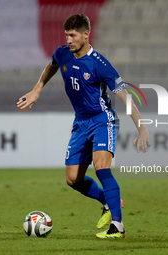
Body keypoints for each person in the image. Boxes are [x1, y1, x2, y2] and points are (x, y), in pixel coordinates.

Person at [17, 14, 150, 238]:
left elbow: (125, 96)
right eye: (67, 35)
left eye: (73, 35)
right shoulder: (62, 53)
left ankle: (117, 226)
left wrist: (142, 127)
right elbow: (52, 65)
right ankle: (108, 201)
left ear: (86, 34)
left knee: (101, 166)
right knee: (72, 179)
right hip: (80, 122)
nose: (68, 40)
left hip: (102, 120)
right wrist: (37, 88)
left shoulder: (100, 64)